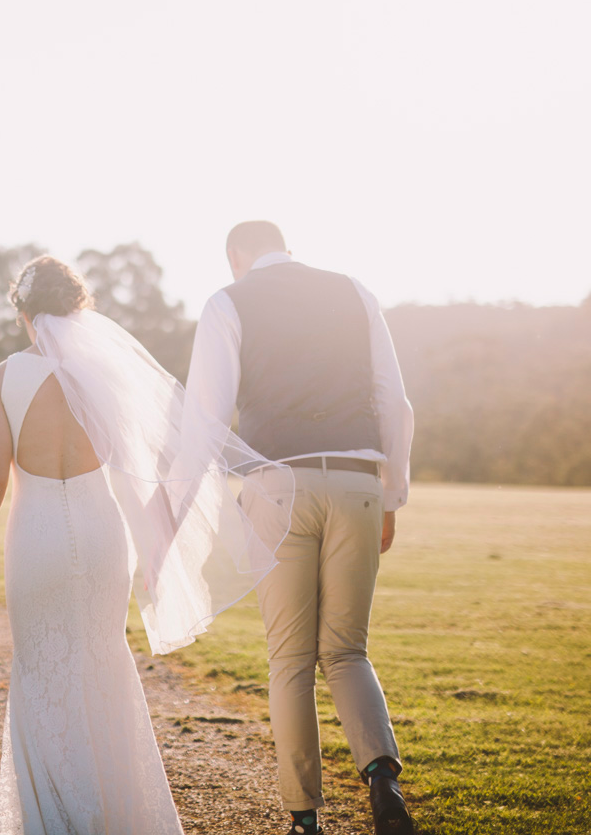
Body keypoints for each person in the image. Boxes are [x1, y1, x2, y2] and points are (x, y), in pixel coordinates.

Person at [0, 255, 293, 834]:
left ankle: (56, 817)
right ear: (80, 309)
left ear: (24, 313)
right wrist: (156, 549)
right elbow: (143, 470)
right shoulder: (104, 373)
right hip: (105, 536)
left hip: (38, 537)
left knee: (43, 671)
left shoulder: (2, 379)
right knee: (102, 666)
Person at [184, 221, 416, 835]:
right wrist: (391, 497)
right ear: (285, 244)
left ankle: (305, 818)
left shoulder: (227, 301)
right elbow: (395, 400)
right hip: (358, 482)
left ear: (237, 256)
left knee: (290, 658)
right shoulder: (354, 291)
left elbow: (206, 415)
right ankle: (384, 780)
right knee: (347, 650)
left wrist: (186, 506)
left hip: (278, 484)